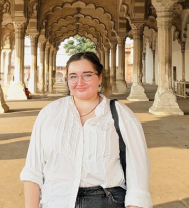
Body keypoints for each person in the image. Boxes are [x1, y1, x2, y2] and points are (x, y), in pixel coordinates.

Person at [20, 51, 152, 208]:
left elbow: (138, 174)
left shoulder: (121, 114)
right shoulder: (50, 114)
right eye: (73, 76)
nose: (79, 82)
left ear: (100, 77)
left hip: (106, 200)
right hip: (56, 199)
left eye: (87, 75)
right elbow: (33, 171)